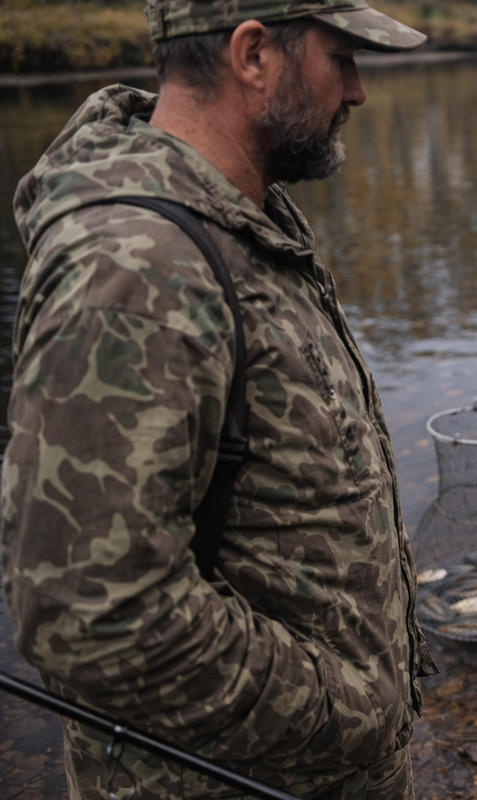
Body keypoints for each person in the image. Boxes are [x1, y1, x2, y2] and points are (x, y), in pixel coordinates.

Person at [1, 2, 437, 798]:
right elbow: (92, 617)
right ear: (252, 55)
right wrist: (351, 708)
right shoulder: (133, 273)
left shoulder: (240, 217)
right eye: (341, 58)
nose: (356, 91)